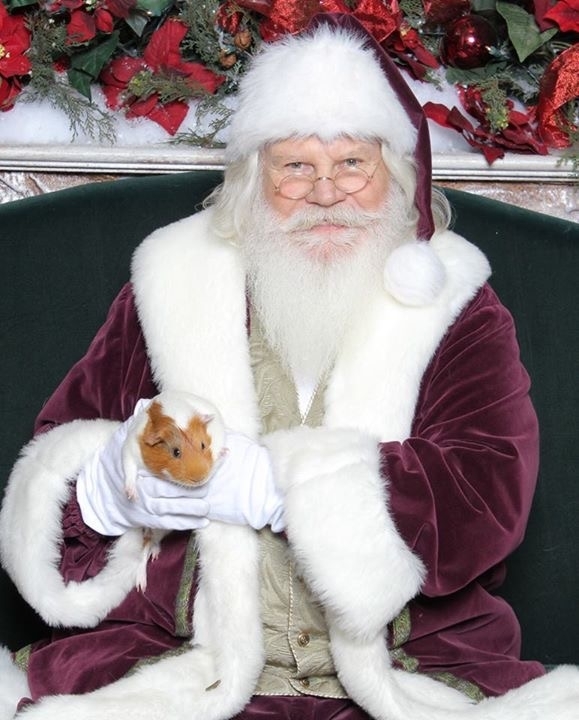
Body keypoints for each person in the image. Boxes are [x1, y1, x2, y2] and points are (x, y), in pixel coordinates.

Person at [0, 12, 577, 720]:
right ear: (253, 180)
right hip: (183, 666)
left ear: (393, 176)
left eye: (351, 165)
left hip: (402, 670)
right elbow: (62, 454)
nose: (325, 192)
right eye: (296, 167)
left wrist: (284, 488)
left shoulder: (454, 305)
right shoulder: (173, 282)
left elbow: (488, 493)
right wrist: (106, 493)